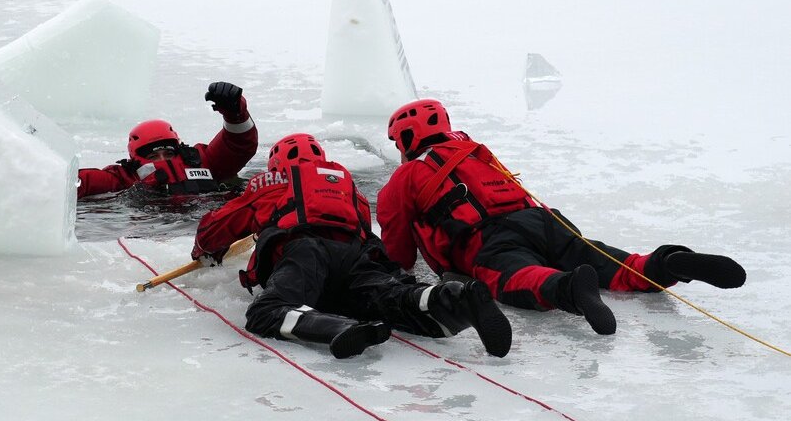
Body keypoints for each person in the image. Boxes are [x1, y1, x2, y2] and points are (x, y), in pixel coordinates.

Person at [375, 98, 747, 335]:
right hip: (543, 220)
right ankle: (666, 264)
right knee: (610, 261)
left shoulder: (403, 178)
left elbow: (399, 253)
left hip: (485, 240)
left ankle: (569, 289)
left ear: (406, 138)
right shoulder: (475, 152)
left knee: (515, 276)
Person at [190, 133, 512, 359]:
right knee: (390, 298)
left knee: (268, 312)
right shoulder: (345, 183)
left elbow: (219, 225)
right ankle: (455, 298)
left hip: (305, 251)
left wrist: (205, 251)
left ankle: (337, 329)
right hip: (358, 256)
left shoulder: (273, 179)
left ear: (276, 163)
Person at [77, 81, 258, 199]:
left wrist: (235, 111)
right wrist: (50, 179)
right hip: (156, 229)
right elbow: (81, 182)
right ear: (135, 157)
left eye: (168, 153)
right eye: (154, 156)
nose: (162, 159)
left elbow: (239, 143)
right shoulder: (123, 177)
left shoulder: (204, 160)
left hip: (208, 219)